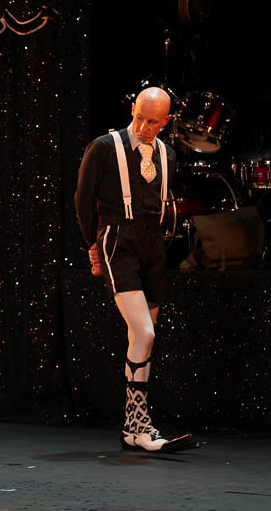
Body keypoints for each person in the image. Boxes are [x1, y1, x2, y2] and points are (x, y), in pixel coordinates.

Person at [74, 86, 192, 452]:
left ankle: (132, 427)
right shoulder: (104, 147)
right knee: (144, 332)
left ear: (166, 121)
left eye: (152, 122)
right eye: (139, 117)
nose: (143, 127)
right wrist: (92, 245)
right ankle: (140, 424)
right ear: (132, 109)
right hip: (118, 239)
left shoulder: (168, 154)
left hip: (152, 245)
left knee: (141, 337)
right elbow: (82, 200)